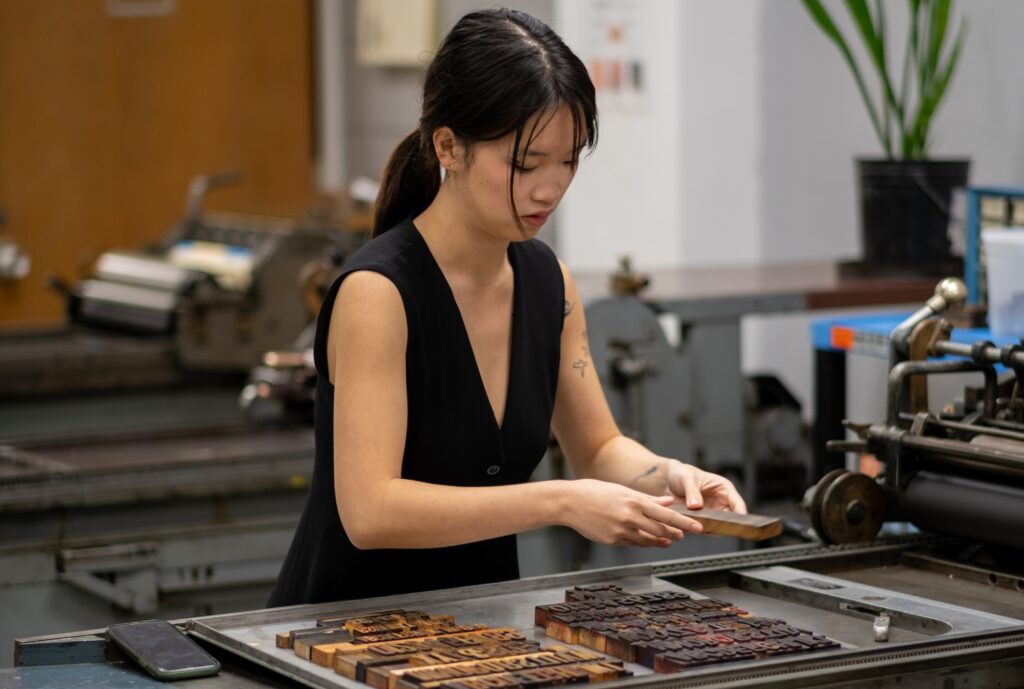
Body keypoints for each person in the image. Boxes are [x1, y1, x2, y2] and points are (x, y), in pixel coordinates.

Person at [268, 7, 745, 607]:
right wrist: (563, 501)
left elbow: (597, 448)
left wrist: (671, 475)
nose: (550, 188)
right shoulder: (379, 294)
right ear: (449, 147)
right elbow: (371, 510)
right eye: (525, 164)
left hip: (483, 628)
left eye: (568, 160)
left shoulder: (551, 285)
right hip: (343, 631)